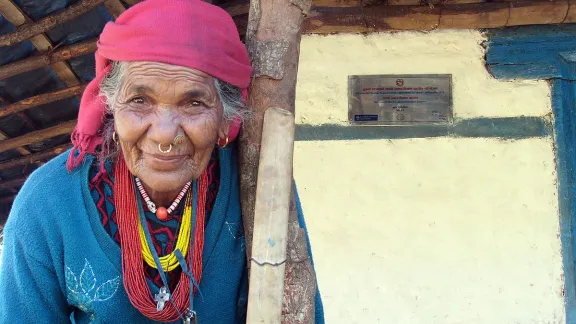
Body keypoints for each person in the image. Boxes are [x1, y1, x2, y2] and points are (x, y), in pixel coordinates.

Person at [0, 0, 323, 323]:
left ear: (226, 119)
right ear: (112, 106)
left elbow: (299, 307)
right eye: (140, 100)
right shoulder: (48, 203)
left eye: (194, 103)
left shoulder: (262, 185)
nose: (165, 134)